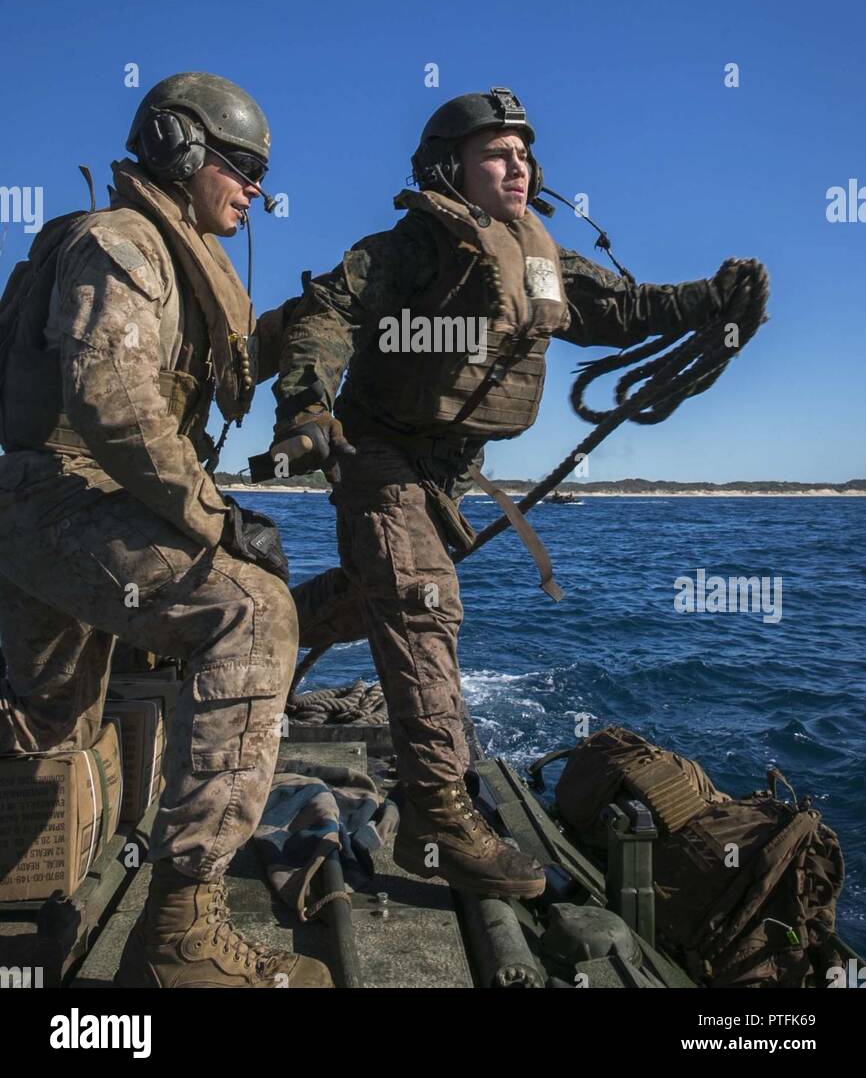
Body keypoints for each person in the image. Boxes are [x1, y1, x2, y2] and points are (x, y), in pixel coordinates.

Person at [269, 87, 764, 899]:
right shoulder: (412, 248)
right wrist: (306, 406)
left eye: (525, 152)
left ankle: (253, 629)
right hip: (378, 453)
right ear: (447, 167)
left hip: (446, 471)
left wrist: (712, 299)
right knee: (424, 598)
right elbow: (330, 312)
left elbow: (622, 308)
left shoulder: (538, 257)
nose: (520, 163)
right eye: (498, 152)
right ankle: (436, 813)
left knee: (376, 595)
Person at [0, 72, 331, 988]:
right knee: (253, 614)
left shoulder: (155, 250)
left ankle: (28, 917)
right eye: (243, 166)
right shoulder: (126, 239)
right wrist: (216, 517)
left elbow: (182, 369)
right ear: (182, 150)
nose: (257, 188)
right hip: (58, 496)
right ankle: (181, 934)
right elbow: (108, 398)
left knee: (48, 716)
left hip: (48, 504)